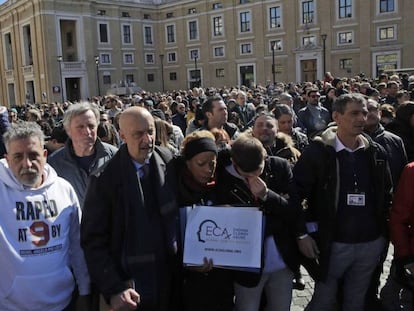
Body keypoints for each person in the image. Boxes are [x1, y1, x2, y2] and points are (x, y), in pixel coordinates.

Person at [293, 93, 393, 311]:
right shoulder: (317, 153)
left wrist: (382, 236)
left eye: (364, 113)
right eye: (354, 113)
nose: (361, 119)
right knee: (323, 301)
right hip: (332, 244)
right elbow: (294, 195)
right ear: (336, 116)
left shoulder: (376, 152)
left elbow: (387, 194)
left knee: (355, 301)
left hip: (369, 243)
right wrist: (302, 234)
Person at [81, 106, 179, 311]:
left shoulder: (168, 161)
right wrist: (114, 288)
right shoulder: (104, 180)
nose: (147, 139)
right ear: (122, 135)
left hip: (169, 279)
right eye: (138, 134)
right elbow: (93, 241)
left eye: (150, 131)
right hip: (130, 285)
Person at [0, 122, 90, 310]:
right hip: (11, 305)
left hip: (63, 302)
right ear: (7, 161)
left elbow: (78, 245)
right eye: (18, 157)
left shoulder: (64, 189)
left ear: (45, 155)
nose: (27, 163)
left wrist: (85, 290)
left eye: (33, 155)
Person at [215, 135, 298, 311]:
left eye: (258, 171)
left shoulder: (280, 167)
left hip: (281, 260)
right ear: (234, 163)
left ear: (265, 157)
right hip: (246, 266)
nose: (253, 177)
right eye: (246, 174)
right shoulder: (222, 175)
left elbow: (293, 210)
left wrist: (267, 195)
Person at [176, 130, 234, 311]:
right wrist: (186, 263)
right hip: (186, 286)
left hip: (221, 283)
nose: (208, 169)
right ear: (187, 163)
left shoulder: (221, 189)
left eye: (212, 164)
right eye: (201, 163)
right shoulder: (173, 193)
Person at [48, 102, 118, 207]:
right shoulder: (54, 163)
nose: (87, 131)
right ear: (68, 130)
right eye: (80, 127)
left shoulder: (114, 156)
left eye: (91, 126)